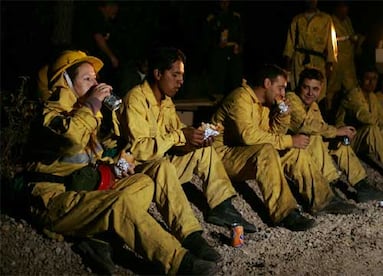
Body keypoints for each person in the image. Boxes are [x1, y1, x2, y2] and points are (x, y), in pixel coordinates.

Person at [24, 50, 220, 275]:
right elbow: (70, 139)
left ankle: (105, 235)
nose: (95, 84)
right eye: (87, 79)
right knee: (118, 202)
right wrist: (93, 104)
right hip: (55, 199)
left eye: (95, 79)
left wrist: (118, 162)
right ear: (65, 83)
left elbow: (93, 155)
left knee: (147, 180)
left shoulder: (84, 114)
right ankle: (179, 262)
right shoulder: (50, 115)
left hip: (83, 189)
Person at [115, 47, 257, 233]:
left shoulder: (165, 101)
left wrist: (194, 140)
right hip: (140, 170)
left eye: (182, 75)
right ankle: (189, 233)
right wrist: (181, 136)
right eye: (175, 75)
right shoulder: (136, 99)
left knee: (204, 150)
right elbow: (140, 149)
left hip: (161, 163)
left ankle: (222, 207)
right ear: (158, 73)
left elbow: (176, 135)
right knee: (163, 165)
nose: (181, 81)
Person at [211, 64, 362, 232]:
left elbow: (273, 133)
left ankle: (323, 200)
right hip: (223, 156)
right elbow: (249, 136)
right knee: (269, 150)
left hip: (246, 154)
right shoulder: (240, 98)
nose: (283, 93)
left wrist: (283, 116)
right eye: (280, 87)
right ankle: (285, 213)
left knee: (294, 151)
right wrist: (289, 140)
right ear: (267, 83)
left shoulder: (265, 104)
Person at [286, 68, 383, 202]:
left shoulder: (313, 105)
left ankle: (362, 185)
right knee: (314, 136)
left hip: (307, 147)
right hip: (290, 149)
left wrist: (339, 134)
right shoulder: (291, 99)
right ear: (299, 86)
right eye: (306, 87)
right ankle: (329, 186)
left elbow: (321, 126)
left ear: (321, 89)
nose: (310, 93)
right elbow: (306, 125)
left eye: (315, 89)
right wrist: (335, 131)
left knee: (340, 144)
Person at [336, 67, 383, 184]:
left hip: (370, 139)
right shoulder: (353, 94)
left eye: (375, 79)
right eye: (368, 78)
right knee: (371, 129)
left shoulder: (372, 96)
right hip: (350, 140)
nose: (371, 82)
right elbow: (363, 115)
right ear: (360, 80)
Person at [283, 0, 337, 111]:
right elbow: (290, 44)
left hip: (317, 61)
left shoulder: (326, 19)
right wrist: (287, 68)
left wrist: (330, 64)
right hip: (299, 60)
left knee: (317, 92)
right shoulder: (297, 19)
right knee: (298, 90)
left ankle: (316, 119)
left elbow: (331, 44)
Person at [202, 0, 244, 96]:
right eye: (222, 1)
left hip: (233, 53)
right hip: (218, 54)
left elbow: (241, 35)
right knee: (218, 79)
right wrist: (216, 45)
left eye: (226, 1)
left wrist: (239, 46)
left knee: (235, 80)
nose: (224, 4)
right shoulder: (212, 18)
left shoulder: (235, 17)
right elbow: (206, 38)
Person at [326, 1, 359, 117]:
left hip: (348, 62)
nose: (345, 10)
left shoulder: (347, 20)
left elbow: (352, 36)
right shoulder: (329, 20)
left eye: (346, 7)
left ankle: (349, 115)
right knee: (331, 89)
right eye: (343, 7)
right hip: (336, 61)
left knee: (352, 89)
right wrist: (348, 38)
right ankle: (328, 113)